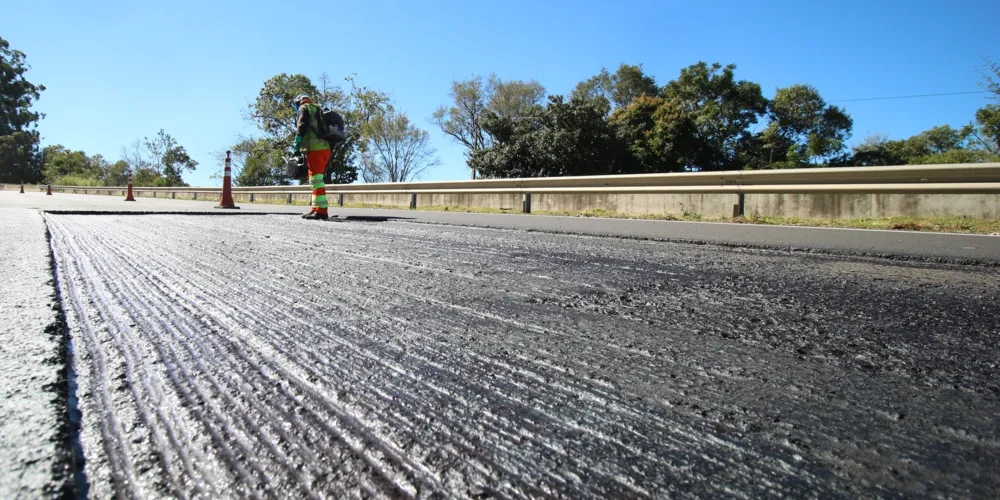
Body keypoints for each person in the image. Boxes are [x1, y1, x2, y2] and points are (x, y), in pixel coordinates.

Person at [292, 94, 331, 220]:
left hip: (315, 149)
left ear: (298, 103)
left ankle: (321, 211)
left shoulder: (304, 108)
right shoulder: (318, 108)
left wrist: (296, 145)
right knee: (315, 180)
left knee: (317, 180)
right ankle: (315, 209)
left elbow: (301, 126)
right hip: (325, 148)